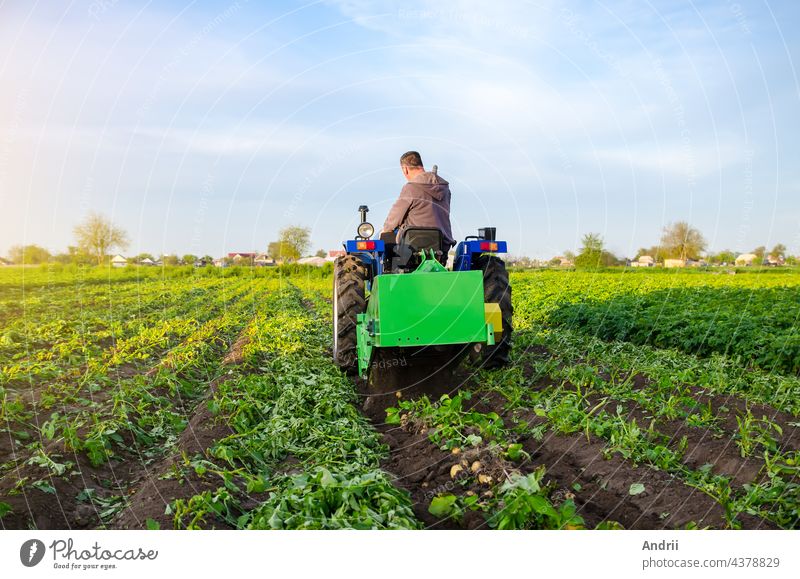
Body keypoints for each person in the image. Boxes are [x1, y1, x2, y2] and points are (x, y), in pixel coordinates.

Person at [381, 151, 454, 252]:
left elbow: (395, 216)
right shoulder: (445, 189)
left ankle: (389, 267)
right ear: (421, 165)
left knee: (385, 235)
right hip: (443, 244)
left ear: (405, 169)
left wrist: (386, 229)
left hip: (413, 248)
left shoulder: (411, 188)